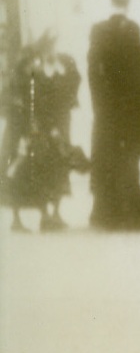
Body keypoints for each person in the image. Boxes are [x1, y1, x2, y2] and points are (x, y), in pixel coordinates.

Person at [4, 29, 82, 232]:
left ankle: (49, 214)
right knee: (31, 170)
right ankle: (39, 215)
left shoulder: (58, 68)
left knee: (51, 168)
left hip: (48, 126)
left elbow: (68, 89)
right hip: (33, 129)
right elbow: (34, 103)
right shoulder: (32, 74)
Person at [87, 0, 140, 229]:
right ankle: (129, 210)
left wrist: (99, 105)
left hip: (106, 108)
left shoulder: (98, 30)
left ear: (111, 1)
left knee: (106, 156)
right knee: (129, 157)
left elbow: (93, 72)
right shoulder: (133, 29)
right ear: (128, 3)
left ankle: (104, 211)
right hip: (130, 108)